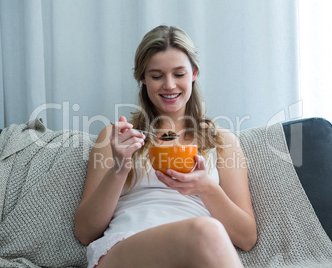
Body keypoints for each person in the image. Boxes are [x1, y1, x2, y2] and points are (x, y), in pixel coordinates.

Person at [74, 25, 257, 268]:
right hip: (125, 250)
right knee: (205, 230)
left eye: (179, 74)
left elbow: (246, 238)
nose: (169, 85)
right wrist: (119, 169)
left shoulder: (221, 142)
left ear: (194, 73)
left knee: (206, 231)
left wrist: (206, 188)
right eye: (157, 76)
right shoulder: (116, 137)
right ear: (142, 78)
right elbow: (85, 232)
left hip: (198, 255)